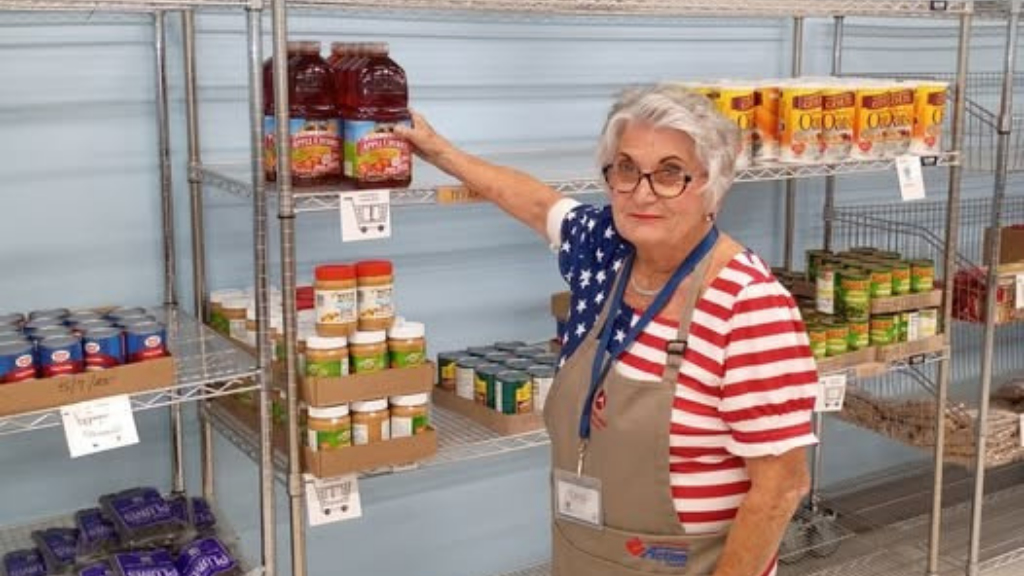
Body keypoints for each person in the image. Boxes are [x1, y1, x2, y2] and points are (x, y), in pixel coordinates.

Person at [396, 84, 818, 576]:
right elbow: (535, 202)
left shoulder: (749, 305)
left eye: (670, 174)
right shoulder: (608, 253)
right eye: (626, 169)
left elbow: (781, 488)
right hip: (583, 554)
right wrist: (442, 151)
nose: (642, 192)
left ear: (715, 187)